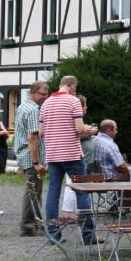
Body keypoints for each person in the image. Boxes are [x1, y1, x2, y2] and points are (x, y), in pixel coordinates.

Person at [40, 75, 98, 244]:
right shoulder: (73, 101)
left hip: (53, 155)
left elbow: (41, 132)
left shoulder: (46, 103)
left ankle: (53, 235)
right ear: (72, 86)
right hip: (71, 154)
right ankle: (88, 235)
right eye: (75, 88)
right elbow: (79, 129)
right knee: (81, 192)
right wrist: (90, 130)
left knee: (53, 193)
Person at [14, 81, 49, 237]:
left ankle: (35, 223)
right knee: (33, 192)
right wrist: (36, 162)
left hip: (23, 154)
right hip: (31, 158)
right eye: (43, 94)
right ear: (33, 92)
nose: (45, 97)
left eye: (46, 94)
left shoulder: (23, 106)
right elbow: (32, 137)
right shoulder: (34, 110)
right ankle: (28, 227)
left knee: (32, 191)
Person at [62, 94, 93, 217]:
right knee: (73, 184)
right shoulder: (74, 119)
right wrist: (89, 132)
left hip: (79, 157)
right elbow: (74, 135)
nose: (86, 108)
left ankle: (76, 212)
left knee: (75, 184)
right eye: (85, 105)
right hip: (74, 156)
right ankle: (70, 213)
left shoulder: (77, 119)